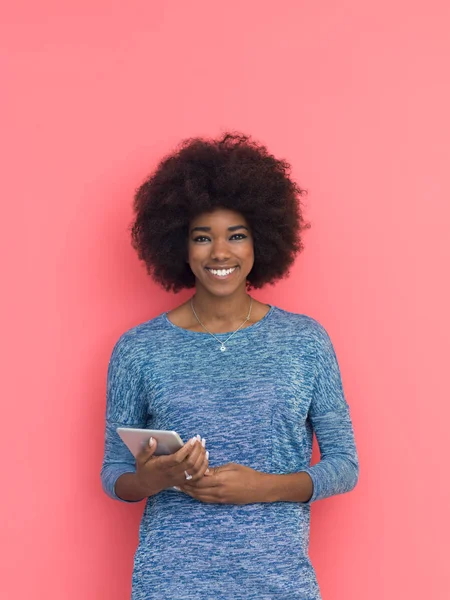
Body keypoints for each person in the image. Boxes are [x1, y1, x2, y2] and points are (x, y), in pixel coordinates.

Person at [101, 132, 359, 600]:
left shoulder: (305, 341)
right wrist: (151, 479)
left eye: (236, 235)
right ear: (180, 246)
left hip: (279, 584)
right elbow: (114, 475)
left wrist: (266, 487)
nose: (220, 253)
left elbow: (345, 465)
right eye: (203, 238)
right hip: (170, 584)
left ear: (261, 240)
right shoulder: (138, 349)